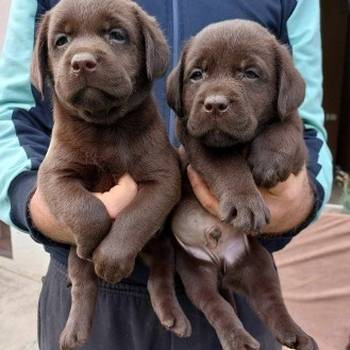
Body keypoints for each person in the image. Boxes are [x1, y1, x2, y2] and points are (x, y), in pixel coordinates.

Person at [0, 0, 332, 349]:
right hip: (92, 289)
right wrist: (34, 201)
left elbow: (304, 121)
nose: (82, 56)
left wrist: (302, 199)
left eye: (115, 34)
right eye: (63, 42)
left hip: (235, 281)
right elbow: (10, 111)